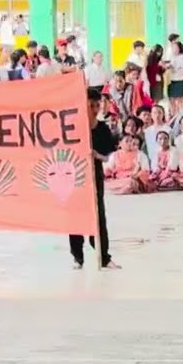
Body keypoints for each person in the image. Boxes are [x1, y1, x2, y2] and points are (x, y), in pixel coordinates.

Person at [70, 87, 118, 269]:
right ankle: (77, 256)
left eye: (98, 105)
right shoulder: (72, 127)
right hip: (75, 176)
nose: (95, 109)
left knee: (98, 215)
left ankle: (103, 256)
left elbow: (109, 156)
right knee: (75, 216)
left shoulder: (103, 129)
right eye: (92, 105)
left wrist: (97, 155)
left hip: (95, 175)